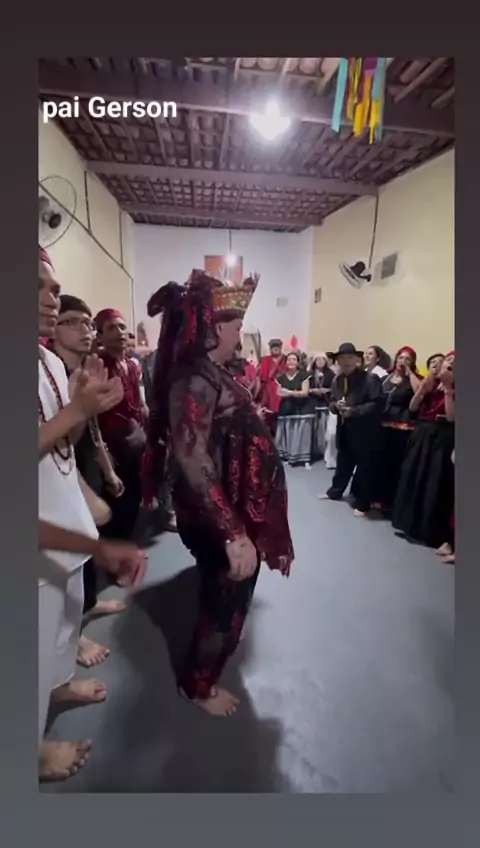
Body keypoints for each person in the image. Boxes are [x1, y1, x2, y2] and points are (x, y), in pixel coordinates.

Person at [143, 270, 294, 717]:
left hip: (234, 505)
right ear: (213, 328)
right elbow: (191, 455)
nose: (239, 335)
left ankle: (221, 641)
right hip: (218, 514)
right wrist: (233, 532)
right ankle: (198, 684)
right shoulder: (193, 379)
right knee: (223, 600)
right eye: (236, 326)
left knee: (230, 591)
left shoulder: (211, 372)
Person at [38, 247, 146, 782]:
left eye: (54, 289)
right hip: (38, 537)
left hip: (62, 525)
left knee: (59, 631)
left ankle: (54, 689)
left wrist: (85, 412)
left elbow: (64, 444)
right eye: (37, 287)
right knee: (30, 646)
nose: (49, 299)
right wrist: (80, 411)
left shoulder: (47, 364)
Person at [51, 295, 126, 668]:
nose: (85, 330)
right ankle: (73, 636)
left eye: (87, 323)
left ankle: (89, 605)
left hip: (81, 465)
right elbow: (56, 440)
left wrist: (107, 469)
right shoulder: (49, 371)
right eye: (72, 321)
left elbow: (91, 427)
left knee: (87, 544)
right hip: (59, 471)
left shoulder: (78, 368)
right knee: (63, 559)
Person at [94, 309, 148, 540]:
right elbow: (93, 414)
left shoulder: (132, 365)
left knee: (135, 494)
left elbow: (140, 404)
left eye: (122, 327)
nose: (119, 332)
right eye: (112, 328)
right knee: (116, 500)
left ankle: (126, 543)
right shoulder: (98, 366)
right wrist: (103, 452)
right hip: (111, 443)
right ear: (100, 336)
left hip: (134, 439)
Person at [392, 351, 455, 548]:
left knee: (433, 482)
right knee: (413, 476)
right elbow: (413, 407)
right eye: (446, 361)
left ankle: (428, 531)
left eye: (445, 362)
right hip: (422, 433)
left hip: (442, 436)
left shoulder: (454, 386)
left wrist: (447, 387)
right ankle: (409, 524)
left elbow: (452, 417)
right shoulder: (430, 383)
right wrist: (422, 390)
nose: (440, 365)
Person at [318, 342, 382, 517]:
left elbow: (377, 405)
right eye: (342, 358)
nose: (346, 361)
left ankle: (363, 503)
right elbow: (331, 402)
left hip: (365, 431)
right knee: (343, 462)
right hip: (345, 428)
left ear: (357, 360)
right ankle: (335, 491)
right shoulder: (338, 380)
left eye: (350, 357)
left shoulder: (370, 379)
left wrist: (353, 411)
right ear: (337, 361)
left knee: (364, 468)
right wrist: (336, 406)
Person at [370, 346, 423, 513]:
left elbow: (419, 394)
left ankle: (393, 502)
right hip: (383, 425)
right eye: (401, 357)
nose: (403, 361)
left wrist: (410, 373)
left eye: (407, 359)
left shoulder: (415, 379)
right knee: (381, 463)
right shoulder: (387, 377)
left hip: (403, 427)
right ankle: (377, 498)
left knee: (396, 465)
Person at [275, 351, 314, 468]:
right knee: (289, 433)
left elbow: (305, 392)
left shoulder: (304, 375)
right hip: (287, 408)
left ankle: (305, 459)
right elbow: (279, 393)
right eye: (289, 360)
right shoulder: (280, 377)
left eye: (294, 359)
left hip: (303, 408)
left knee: (303, 434)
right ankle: (290, 456)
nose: (291, 362)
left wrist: (289, 392)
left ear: (298, 362)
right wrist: (295, 393)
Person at [255, 338, 287, 435]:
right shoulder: (265, 360)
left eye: (277, 346)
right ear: (270, 348)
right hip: (268, 393)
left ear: (281, 347)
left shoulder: (286, 359)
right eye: (273, 346)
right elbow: (261, 377)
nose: (275, 348)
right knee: (267, 418)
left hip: (282, 392)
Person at [307, 353, 336, 460]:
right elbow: (305, 388)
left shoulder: (331, 374)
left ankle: (324, 451)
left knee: (324, 428)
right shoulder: (309, 374)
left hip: (325, 403)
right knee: (313, 428)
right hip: (313, 403)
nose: (320, 362)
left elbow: (335, 388)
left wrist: (327, 390)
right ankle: (313, 451)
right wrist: (312, 390)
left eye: (322, 359)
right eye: (318, 359)